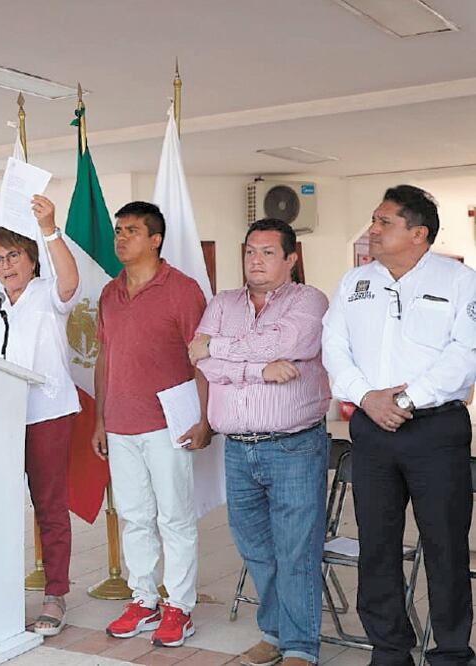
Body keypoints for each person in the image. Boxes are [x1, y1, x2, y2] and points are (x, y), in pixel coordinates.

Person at [323, 185, 476, 666]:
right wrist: (367, 398)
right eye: (373, 220)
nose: (372, 229)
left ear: (418, 233)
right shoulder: (355, 283)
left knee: (445, 546)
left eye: (383, 222)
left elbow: (465, 354)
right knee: (377, 543)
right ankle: (389, 649)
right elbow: (335, 346)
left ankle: (451, 651)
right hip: (371, 428)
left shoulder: (459, 281)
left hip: (436, 429)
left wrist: (407, 399)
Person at [190, 219, 330, 666]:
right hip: (237, 447)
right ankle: (274, 631)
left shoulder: (309, 301)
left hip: (293, 445)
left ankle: (299, 646)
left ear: (291, 258)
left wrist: (219, 348)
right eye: (251, 250)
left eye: (269, 252)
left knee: (295, 549)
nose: (256, 259)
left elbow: (288, 341)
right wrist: (258, 368)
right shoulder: (222, 302)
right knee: (255, 548)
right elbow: (199, 359)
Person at [93, 202, 210, 647]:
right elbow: (105, 357)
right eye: (118, 230)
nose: (121, 238)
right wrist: (101, 419)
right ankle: (144, 599)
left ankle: (179, 606)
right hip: (120, 425)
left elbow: (201, 356)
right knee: (135, 516)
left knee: (174, 517)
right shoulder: (109, 292)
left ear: (156, 239)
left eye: (132, 231)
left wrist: (202, 418)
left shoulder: (181, 289)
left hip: (169, 424)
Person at [0, 195, 80, 635]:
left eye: (14, 255)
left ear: (32, 259)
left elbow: (70, 281)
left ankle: (55, 595)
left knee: (50, 506)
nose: (5, 265)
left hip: (47, 411)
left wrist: (49, 228)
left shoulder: (46, 292)